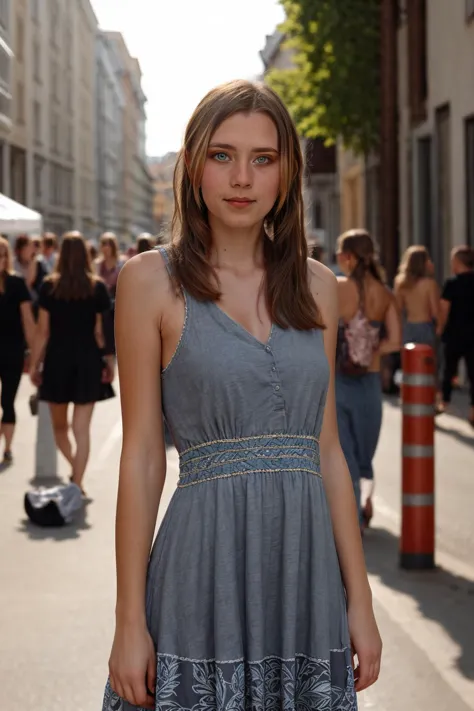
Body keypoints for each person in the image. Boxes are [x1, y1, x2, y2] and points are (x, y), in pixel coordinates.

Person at [103, 80, 381, 711]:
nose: (242, 178)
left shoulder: (319, 287)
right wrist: (128, 620)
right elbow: (143, 456)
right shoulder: (149, 281)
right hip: (201, 573)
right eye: (223, 155)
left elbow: (330, 453)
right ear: (194, 164)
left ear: (286, 172)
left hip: (307, 581)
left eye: (264, 158)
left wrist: (359, 602)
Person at [29, 232, 115, 493]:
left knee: (60, 429)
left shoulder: (49, 286)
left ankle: (76, 477)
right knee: (82, 430)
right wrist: (109, 363)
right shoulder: (97, 287)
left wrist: (34, 365)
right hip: (88, 360)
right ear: (86, 257)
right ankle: (77, 480)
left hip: (57, 361)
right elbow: (101, 332)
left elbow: (43, 331)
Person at [335, 230, 400, 530]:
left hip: (339, 381)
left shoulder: (339, 288)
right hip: (370, 381)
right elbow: (396, 341)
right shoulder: (384, 293)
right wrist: (371, 348)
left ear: (347, 257)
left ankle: (353, 519)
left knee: (343, 454)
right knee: (364, 457)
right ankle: (364, 506)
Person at [0, 237, 36, 464]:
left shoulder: (17, 283)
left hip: (12, 351)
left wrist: (34, 355)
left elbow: (28, 322)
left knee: (8, 401)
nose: (0, 259)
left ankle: (8, 448)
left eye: (3, 255)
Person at [438, 245, 474, 425]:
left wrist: (440, 328)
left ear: (458, 263)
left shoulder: (452, 284)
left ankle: (444, 402)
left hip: (454, 333)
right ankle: (473, 411)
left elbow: (444, 310)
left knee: (448, 369)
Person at [394, 246, 440, 347]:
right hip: (425, 327)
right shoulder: (429, 284)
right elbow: (435, 311)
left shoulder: (401, 283)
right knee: (426, 360)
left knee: (410, 360)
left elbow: (397, 309)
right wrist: (439, 328)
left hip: (409, 327)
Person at [95, 232, 125, 355]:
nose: (106, 247)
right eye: (103, 244)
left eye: (109, 244)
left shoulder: (122, 263)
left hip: (117, 305)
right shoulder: (97, 264)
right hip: (101, 305)